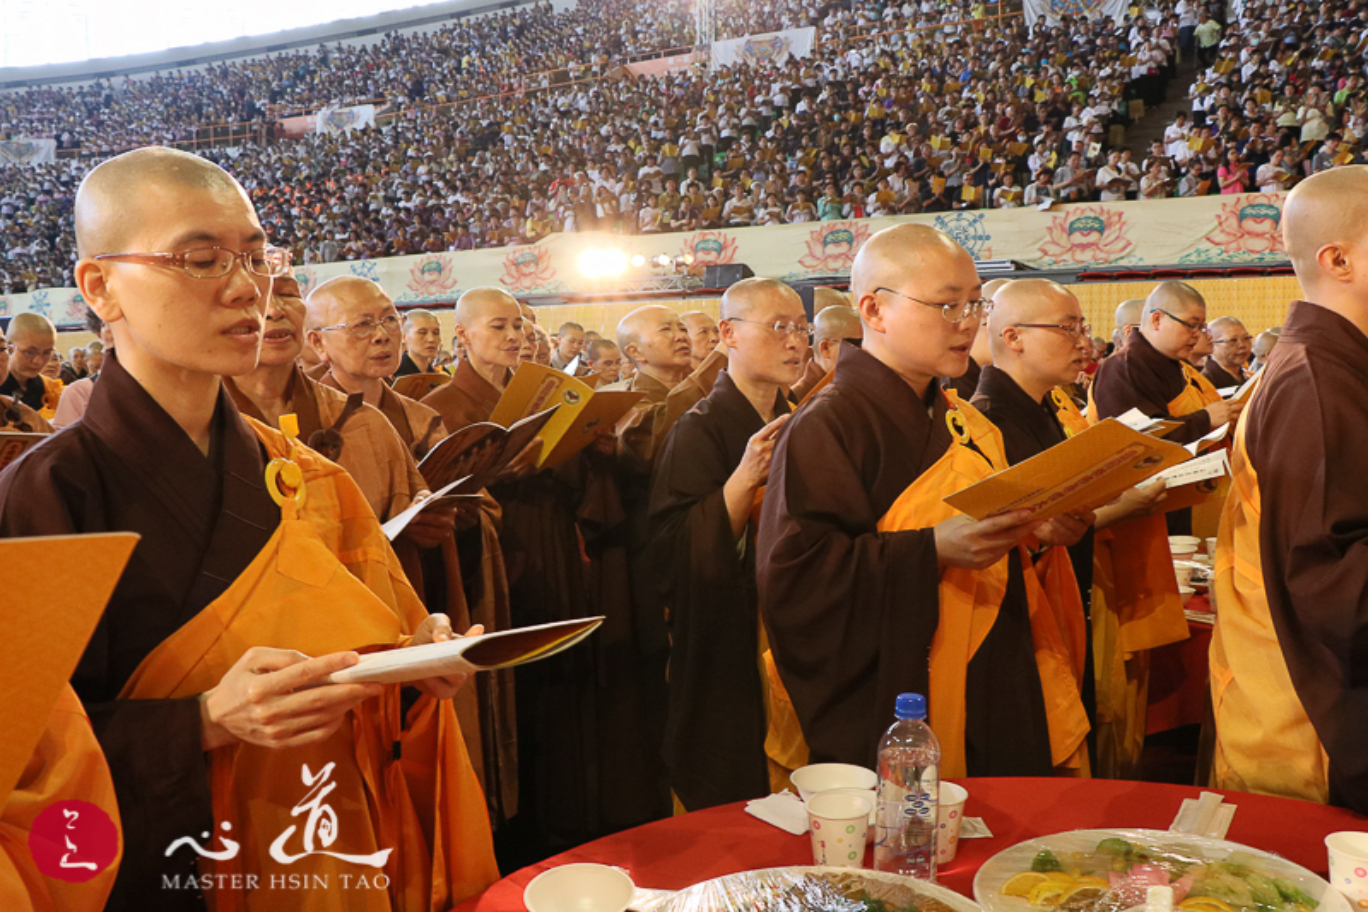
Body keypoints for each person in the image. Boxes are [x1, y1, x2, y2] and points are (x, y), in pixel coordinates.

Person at [0, 146, 497, 911]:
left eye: (257, 257)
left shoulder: (303, 475)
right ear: (101, 287)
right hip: (169, 874)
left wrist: (408, 666)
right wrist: (200, 724)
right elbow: (21, 768)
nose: (247, 288)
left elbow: (372, 643)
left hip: (326, 845)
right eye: (200, 258)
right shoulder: (44, 495)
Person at [756, 224, 1090, 778]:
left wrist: (1034, 535)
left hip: (991, 664)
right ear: (875, 309)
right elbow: (795, 576)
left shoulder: (960, 416)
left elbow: (980, 526)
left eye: (973, 304)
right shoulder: (829, 424)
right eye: (946, 305)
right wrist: (929, 549)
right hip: (900, 695)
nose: (967, 323)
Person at [1211, 165, 1368, 813]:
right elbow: (1339, 595)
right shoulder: (1317, 380)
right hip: (1312, 724)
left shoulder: (1333, 366)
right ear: (1339, 260)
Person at [970, 280, 1169, 773]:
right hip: (1018, 626)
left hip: (1067, 595)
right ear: (1012, 337)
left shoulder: (1050, 408)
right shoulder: (983, 423)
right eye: (1067, 329)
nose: (1084, 342)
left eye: (1082, 328)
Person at [648, 277, 801, 810]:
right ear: (728, 334)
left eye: (801, 328)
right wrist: (744, 480)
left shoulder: (804, 416)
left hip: (798, 626)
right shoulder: (698, 427)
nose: (796, 342)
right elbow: (670, 554)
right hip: (730, 642)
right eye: (779, 327)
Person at [306, 276, 445, 456]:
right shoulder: (304, 419)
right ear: (319, 343)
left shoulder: (425, 421)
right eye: (363, 324)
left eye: (389, 319)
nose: (382, 335)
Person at [1, 313, 62, 419]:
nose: (38, 361)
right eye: (29, 352)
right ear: (9, 348)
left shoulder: (52, 389)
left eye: (47, 352)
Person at [0, 322, 53, 433]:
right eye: (29, 352)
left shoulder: (16, 409)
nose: (38, 361)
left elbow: (59, 444)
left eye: (1, 349)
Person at [1203, 316, 1253, 388]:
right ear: (1211, 344)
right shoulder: (1205, 381)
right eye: (1233, 340)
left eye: (1246, 338)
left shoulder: (1250, 377)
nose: (1242, 345)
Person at [396, 308, 445, 376]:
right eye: (422, 333)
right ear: (404, 337)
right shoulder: (392, 376)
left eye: (436, 333)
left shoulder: (441, 376)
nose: (431, 339)